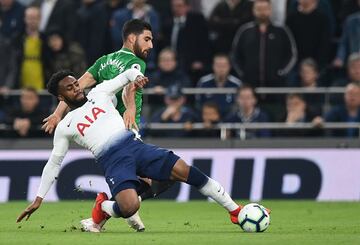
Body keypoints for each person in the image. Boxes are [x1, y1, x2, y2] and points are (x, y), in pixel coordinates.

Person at [16, 69, 257, 234]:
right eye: (70, 88)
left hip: (135, 146)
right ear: (61, 96)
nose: (77, 89)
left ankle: (234, 211)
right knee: (130, 207)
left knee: (183, 169)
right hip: (113, 161)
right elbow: (54, 164)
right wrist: (38, 199)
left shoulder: (100, 93)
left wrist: (138, 77)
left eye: (76, 83)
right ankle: (104, 206)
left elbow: (128, 74)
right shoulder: (65, 126)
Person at [41, 19, 175, 231]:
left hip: (107, 128)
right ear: (132, 38)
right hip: (124, 128)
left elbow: (78, 84)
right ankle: (106, 212)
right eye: (147, 40)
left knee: (142, 180)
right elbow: (131, 82)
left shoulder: (105, 61)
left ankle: (118, 211)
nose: (150, 46)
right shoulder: (138, 62)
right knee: (163, 177)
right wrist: (130, 108)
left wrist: (58, 113)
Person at [231, 0, 297, 88]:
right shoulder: (245, 31)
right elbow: (235, 55)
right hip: (250, 85)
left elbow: (292, 54)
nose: (262, 12)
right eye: (259, 9)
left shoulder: (281, 31)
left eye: (265, 9)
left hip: (276, 84)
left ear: (270, 10)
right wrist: (244, 73)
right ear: (253, 10)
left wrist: (281, 72)